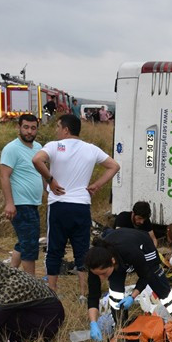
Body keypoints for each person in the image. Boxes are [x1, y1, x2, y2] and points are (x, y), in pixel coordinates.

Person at [32, 114, 121, 295]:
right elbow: (114, 166)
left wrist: (50, 180)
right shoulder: (91, 149)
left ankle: (52, 290)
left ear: (66, 129)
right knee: (81, 249)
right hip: (81, 205)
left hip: (59, 204)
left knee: (55, 249)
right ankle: (83, 292)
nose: (56, 130)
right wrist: (97, 184)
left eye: (58, 127)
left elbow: (36, 160)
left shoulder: (54, 146)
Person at [84, 228, 172, 342]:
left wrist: (132, 296)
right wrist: (93, 323)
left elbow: (146, 275)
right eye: (98, 274)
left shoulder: (130, 252)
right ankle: (122, 331)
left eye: (104, 273)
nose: (102, 278)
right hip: (118, 258)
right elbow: (93, 296)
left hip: (144, 248)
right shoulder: (96, 263)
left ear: (112, 261)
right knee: (116, 298)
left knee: (166, 296)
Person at [0, 114, 43, 275]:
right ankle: (31, 284)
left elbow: (42, 173)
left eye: (33, 128)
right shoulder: (11, 149)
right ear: (18, 127)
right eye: (26, 127)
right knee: (30, 245)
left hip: (33, 203)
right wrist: (9, 203)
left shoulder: (38, 148)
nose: (29, 131)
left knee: (24, 242)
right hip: (20, 203)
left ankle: (9, 276)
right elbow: (4, 176)